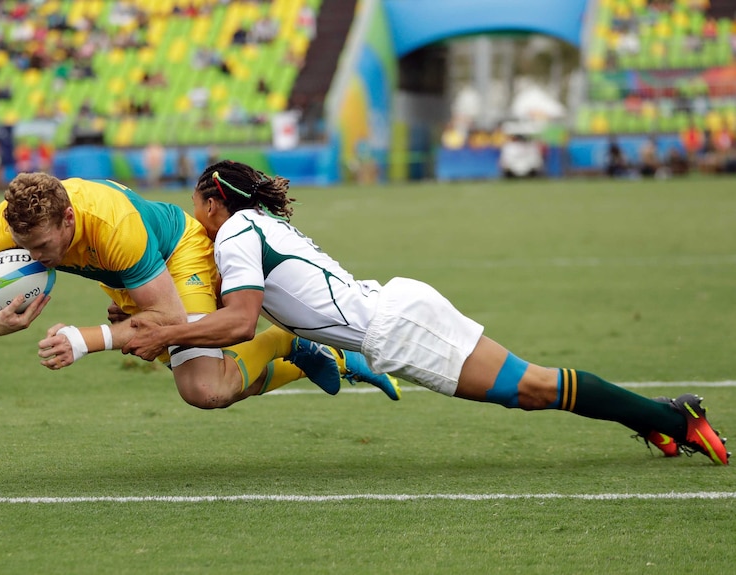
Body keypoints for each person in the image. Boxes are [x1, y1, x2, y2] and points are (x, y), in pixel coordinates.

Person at [123, 160, 730, 465]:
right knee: (531, 385)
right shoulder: (257, 225)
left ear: (212, 200)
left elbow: (240, 323)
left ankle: (675, 418)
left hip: (396, 326)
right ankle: (657, 416)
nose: (193, 214)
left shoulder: (232, 234)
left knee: (533, 388)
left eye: (196, 202)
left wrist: (168, 331)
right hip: (396, 312)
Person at [0, 172, 400, 411]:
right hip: (124, 278)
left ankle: (290, 341)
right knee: (210, 383)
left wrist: (88, 339)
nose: (31, 258)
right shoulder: (10, 223)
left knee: (204, 386)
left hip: (173, 254)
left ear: (70, 219)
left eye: (41, 247)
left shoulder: (112, 226)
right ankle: (313, 357)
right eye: (22, 247)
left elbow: (169, 321)